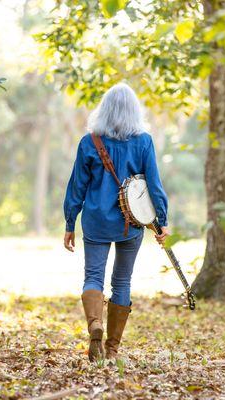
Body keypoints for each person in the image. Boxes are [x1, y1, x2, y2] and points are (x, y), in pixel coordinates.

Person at [63, 83, 169, 361]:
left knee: (93, 277)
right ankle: (112, 349)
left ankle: (94, 324)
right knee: (122, 282)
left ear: (104, 109)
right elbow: (154, 185)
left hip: (96, 221)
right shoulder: (144, 141)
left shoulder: (90, 142)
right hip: (130, 224)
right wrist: (162, 220)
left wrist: (69, 222)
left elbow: (77, 186)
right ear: (134, 111)